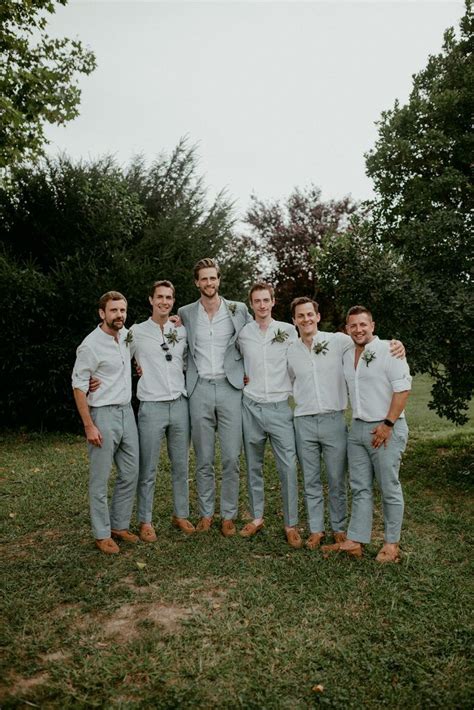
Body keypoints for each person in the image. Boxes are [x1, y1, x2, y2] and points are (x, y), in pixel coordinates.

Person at [289, 297, 406, 551]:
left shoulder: (342, 342)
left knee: (357, 482)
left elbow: (400, 384)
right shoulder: (296, 349)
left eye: (310, 314)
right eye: (301, 316)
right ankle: (331, 534)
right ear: (294, 320)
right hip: (330, 424)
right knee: (347, 484)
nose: (306, 319)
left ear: (318, 317)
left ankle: (370, 538)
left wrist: (397, 345)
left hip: (355, 422)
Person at [324, 305, 411, 562]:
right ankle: (355, 540)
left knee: (388, 486)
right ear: (347, 328)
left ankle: (391, 544)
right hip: (358, 428)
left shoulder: (389, 350)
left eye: (363, 324)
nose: (358, 329)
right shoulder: (347, 352)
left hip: (386, 427)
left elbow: (403, 390)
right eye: (353, 325)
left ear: (372, 326)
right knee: (360, 487)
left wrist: (387, 425)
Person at [177, 258, 252, 536]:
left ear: (219, 280)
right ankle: (206, 513)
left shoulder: (238, 309)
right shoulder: (185, 313)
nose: (209, 283)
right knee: (204, 457)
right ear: (197, 282)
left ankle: (229, 514)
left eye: (213, 278)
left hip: (231, 387)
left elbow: (254, 340)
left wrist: (250, 372)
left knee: (232, 456)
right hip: (199, 390)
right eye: (203, 279)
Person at [72, 291, 139, 554]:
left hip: (126, 413)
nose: (119, 315)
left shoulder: (127, 336)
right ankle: (101, 533)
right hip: (102, 414)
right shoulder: (90, 345)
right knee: (100, 479)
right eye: (114, 311)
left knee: (131, 471)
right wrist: (89, 425)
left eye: (122, 310)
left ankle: (119, 525)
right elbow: (78, 386)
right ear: (102, 313)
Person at [238, 283, 302, 548]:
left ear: (273, 302)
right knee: (253, 465)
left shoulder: (288, 331)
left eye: (266, 300)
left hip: (279, 406)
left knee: (287, 465)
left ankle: (291, 524)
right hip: (250, 405)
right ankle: (257, 517)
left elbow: (301, 361)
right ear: (251, 304)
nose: (262, 305)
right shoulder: (243, 333)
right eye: (257, 301)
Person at [130, 280, 194, 542]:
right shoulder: (135, 331)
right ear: (150, 299)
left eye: (169, 297)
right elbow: (116, 356)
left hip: (180, 404)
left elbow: (192, 361)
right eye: (160, 297)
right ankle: (145, 520)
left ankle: (180, 514)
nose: (164, 302)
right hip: (151, 406)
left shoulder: (181, 331)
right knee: (148, 468)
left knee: (181, 465)